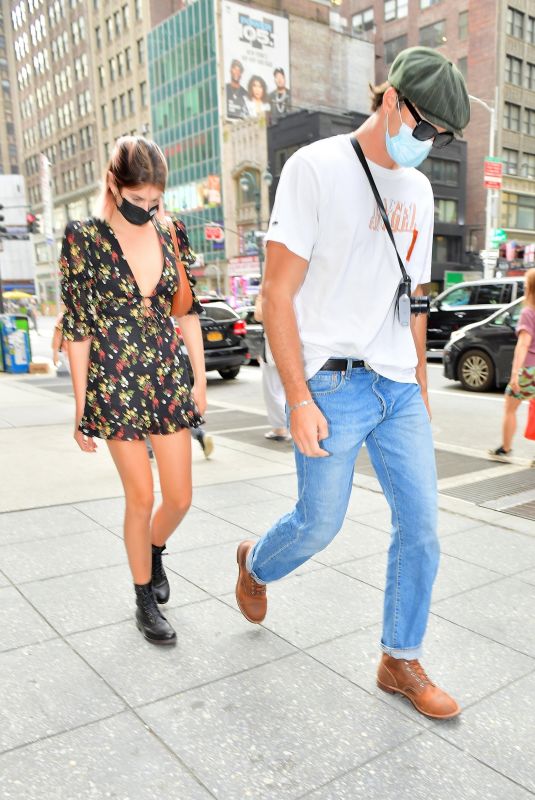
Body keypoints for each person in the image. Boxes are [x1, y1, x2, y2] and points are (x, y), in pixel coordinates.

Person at [235, 47, 470, 720]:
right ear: (391, 99)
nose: (429, 146)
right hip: (330, 383)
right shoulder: (316, 169)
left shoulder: (419, 190)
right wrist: (298, 399)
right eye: (425, 129)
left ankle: (399, 658)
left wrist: (420, 388)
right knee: (318, 525)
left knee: (421, 528)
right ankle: (254, 563)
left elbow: (413, 298)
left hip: (396, 385)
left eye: (443, 139)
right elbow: (276, 297)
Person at [60, 135, 206, 646]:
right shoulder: (83, 238)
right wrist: (81, 408)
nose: (146, 209)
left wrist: (200, 380)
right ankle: (145, 598)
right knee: (140, 495)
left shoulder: (171, 233)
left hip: (166, 374)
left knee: (181, 497)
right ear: (113, 185)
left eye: (154, 201)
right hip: (114, 378)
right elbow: (77, 328)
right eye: (137, 199)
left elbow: (186, 310)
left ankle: (154, 549)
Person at [489, 267, 535, 460]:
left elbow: (523, 344)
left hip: (529, 370)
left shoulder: (528, 312)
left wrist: (515, 374)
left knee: (510, 407)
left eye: (525, 284)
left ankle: (505, 448)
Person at [255, 289, 291, 442]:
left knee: (273, 391)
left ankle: (282, 427)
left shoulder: (271, 289)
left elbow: (259, 314)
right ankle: (283, 426)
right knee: (285, 390)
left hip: (275, 347)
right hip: (289, 345)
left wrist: (259, 297)